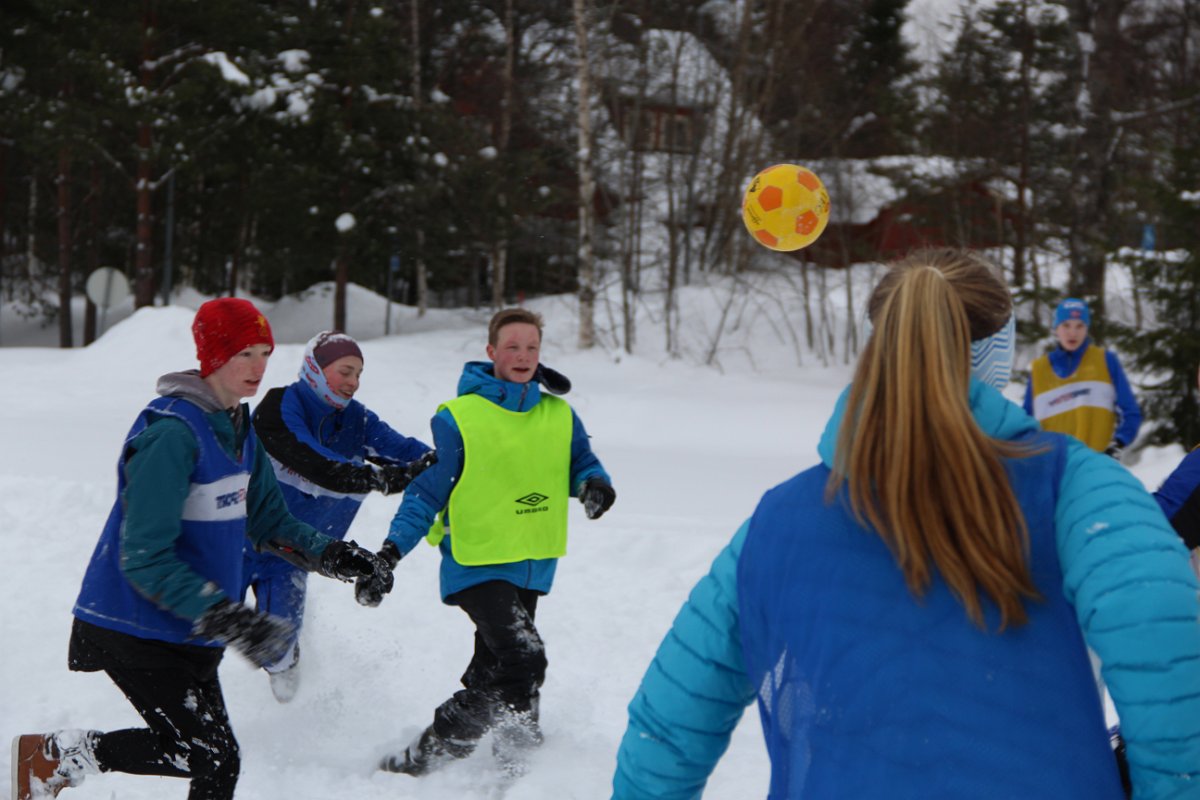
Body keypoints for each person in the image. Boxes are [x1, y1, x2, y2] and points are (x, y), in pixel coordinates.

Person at [611, 249, 1200, 799]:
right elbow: (1171, 677)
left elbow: (668, 723)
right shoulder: (1082, 491)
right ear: (997, 353)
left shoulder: (777, 520)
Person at [11, 298, 396, 800]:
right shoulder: (173, 435)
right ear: (214, 356)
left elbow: (271, 521)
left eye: (264, 353)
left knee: (216, 763)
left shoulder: (240, 430)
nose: (258, 367)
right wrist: (231, 620)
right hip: (132, 624)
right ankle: (60, 756)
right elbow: (144, 556)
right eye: (244, 354)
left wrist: (340, 557)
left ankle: (56, 758)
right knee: (208, 756)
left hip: (191, 626)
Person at [369, 307, 615, 777]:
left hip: (531, 561)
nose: (522, 355)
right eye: (512, 346)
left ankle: (480, 763)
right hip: (477, 564)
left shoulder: (559, 414)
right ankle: (484, 753)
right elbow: (425, 493)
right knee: (524, 657)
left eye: (531, 347)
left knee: (499, 670)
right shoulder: (459, 418)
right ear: (491, 352)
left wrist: (593, 485)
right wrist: (390, 552)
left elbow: (580, 462)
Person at [244, 330, 434, 702]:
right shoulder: (279, 407)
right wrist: (378, 478)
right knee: (194, 638)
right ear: (314, 369)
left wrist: (452, 462)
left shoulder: (357, 421)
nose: (353, 382)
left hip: (291, 555)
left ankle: (284, 714)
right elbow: (314, 461)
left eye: (358, 374)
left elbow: (410, 453)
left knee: (279, 655)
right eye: (345, 372)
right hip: (232, 542)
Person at [1023, 297, 1142, 457]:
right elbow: (1026, 425)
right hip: (1054, 465)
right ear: (1056, 328)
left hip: (1096, 462)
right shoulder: (1039, 370)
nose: (1073, 333)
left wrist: (1119, 442)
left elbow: (1131, 412)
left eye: (1079, 326)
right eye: (1066, 325)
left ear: (1087, 328)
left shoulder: (1105, 360)